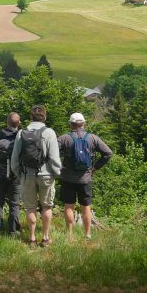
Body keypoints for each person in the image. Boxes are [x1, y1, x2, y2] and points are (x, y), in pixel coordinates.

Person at [57, 111, 113, 242]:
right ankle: (87, 235)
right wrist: (95, 168)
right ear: (84, 124)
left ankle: (69, 234)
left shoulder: (64, 138)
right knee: (86, 207)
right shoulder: (92, 138)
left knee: (69, 206)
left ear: (71, 124)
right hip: (86, 178)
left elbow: (51, 152)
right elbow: (108, 153)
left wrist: (59, 167)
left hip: (68, 178)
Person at [13, 104, 61, 247]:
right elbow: (54, 157)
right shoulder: (49, 132)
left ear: (30, 117)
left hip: (27, 175)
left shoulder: (21, 133)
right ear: (44, 117)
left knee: (30, 208)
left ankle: (32, 238)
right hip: (46, 175)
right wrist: (57, 173)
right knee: (47, 206)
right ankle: (45, 238)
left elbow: (15, 158)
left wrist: (19, 174)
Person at [0, 112, 24, 235]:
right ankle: (13, 231)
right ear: (18, 123)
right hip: (16, 176)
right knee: (15, 204)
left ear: (6, 122)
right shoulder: (22, 137)